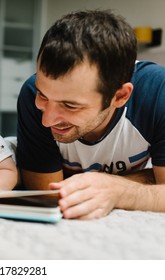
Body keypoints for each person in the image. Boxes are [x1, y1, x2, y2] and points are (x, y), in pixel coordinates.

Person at [16, 9, 165, 220]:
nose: (47, 120)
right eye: (43, 95)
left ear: (120, 96)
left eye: (70, 105)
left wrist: (118, 190)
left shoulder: (158, 92)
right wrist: (145, 179)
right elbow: (52, 195)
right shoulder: (30, 94)